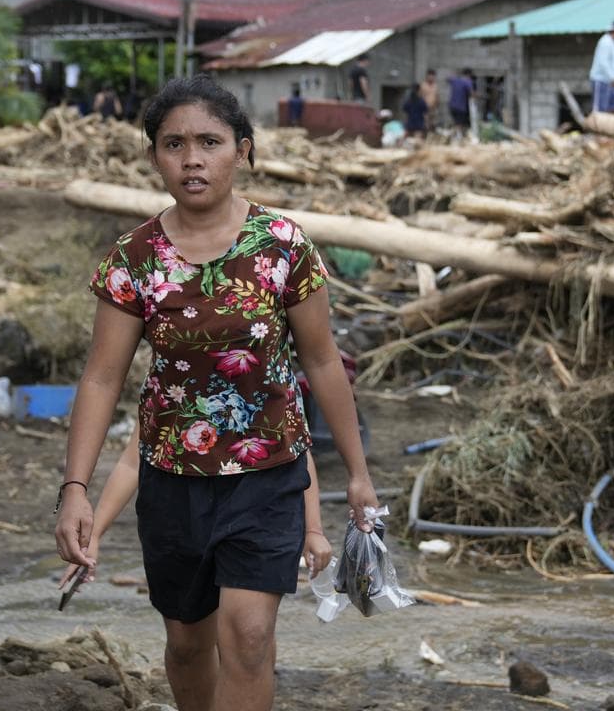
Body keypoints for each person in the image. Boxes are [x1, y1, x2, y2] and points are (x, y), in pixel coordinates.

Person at [54, 75, 378, 711]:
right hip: (172, 477)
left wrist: (359, 475)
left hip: (269, 473)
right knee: (185, 641)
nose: (192, 158)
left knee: (251, 637)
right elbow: (101, 377)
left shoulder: (283, 246)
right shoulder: (134, 258)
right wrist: (75, 490)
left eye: (209, 141)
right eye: (173, 144)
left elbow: (322, 361)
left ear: (243, 151)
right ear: (154, 158)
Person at [59, 429, 332, 598]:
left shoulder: (265, 369)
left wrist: (314, 530)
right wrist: (93, 536)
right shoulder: (172, 381)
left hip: (258, 506)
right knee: (190, 643)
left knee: (250, 631)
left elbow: (297, 451)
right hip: (183, 513)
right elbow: (132, 462)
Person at [590, 22, 614, 114]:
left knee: (613, 106)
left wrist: (613, 79)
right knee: (599, 109)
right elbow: (603, 62)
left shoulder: (612, 42)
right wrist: (612, 78)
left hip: (609, 81)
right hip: (600, 80)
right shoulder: (605, 42)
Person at [447, 67, 474, 136]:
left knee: (456, 122)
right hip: (460, 106)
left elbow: (448, 79)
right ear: (469, 75)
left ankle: (454, 135)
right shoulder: (468, 81)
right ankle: (457, 137)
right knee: (459, 123)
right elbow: (471, 94)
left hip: (452, 106)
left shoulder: (455, 80)